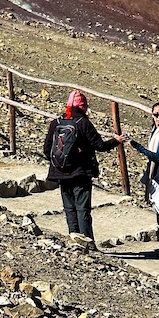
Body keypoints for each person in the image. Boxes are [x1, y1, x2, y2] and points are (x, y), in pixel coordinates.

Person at [43, 89, 124, 247]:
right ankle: (87, 241)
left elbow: (47, 149)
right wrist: (116, 140)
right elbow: (99, 146)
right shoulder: (83, 123)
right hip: (80, 173)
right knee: (82, 208)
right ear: (83, 106)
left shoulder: (56, 123)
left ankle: (74, 238)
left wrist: (60, 163)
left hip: (61, 172)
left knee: (69, 207)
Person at [128, 102, 159, 259]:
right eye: (156, 115)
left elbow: (158, 156)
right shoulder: (157, 131)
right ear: (152, 115)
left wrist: (138, 147)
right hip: (157, 175)